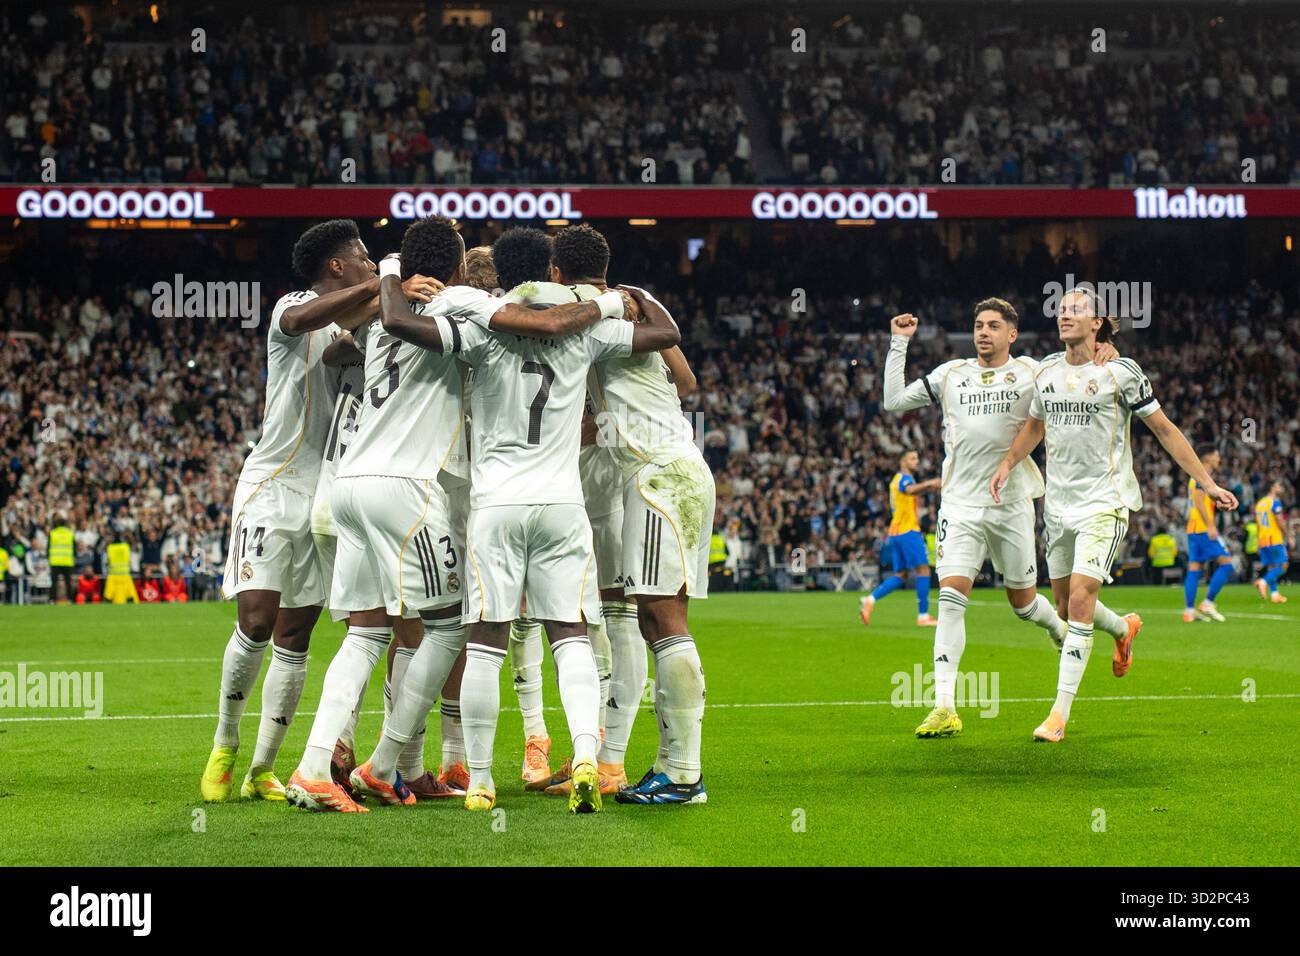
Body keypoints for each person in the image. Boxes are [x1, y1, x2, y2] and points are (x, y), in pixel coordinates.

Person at [450, 226, 676, 813]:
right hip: (562, 501)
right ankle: (584, 756)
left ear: (499, 269)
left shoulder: (482, 318)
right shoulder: (586, 324)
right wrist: (622, 297)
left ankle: (478, 779)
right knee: (571, 634)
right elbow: (661, 337)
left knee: (487, 640)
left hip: (496, 501)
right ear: (552, 268)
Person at [200, 219, 423, 803]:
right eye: (365, 260)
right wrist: (387, 284)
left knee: (295, 634)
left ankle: (264, 768)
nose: (374, 268)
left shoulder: (355, 323)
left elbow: (364, 342)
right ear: (337, 267)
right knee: (255, 619)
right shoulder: (293, 307)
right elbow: (304, 324)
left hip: (324, 493)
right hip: (271, 485)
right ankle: (225, 743)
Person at [990, 288, 1237, 743]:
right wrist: (1007, 463)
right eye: (1061, 309)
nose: (1065, 315)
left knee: (1080, 604)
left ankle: (1058, 716)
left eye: (1075, 310)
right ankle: (1123, 628)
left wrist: (1207, 483)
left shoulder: (1121, 373)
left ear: (1098, 321)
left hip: (1105, 502)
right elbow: (1035, 427)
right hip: (1059, 506)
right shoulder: (1045, 371)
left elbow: (1163, 428)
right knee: (1063, 607)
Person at [882, 301, 1137, 739]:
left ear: (1012, 335)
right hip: (960, 504)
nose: (983, 332)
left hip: (1013, 502)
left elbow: (1079, 367)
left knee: (1023, 604)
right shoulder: (951, 373)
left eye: (993, 326)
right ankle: (944, 704)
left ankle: (1100, 626)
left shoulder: (1033, 372)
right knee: (950, 597)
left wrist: (1107, 349)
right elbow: (893, 402)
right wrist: (898, 343)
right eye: (978, 325)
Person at [860, 450, 941, 627]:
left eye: (917, 458)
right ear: (903, 462)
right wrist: (930, 483)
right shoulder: (905, 479)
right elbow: (910, 490)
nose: (917, 462)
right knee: (924, 570)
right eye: (913, 458)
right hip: (907, 531)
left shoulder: (895, 481)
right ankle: (923, 616)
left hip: (895, 532)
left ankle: (870, 599)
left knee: (902, 574)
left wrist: (928, 487)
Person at [1182, 445, 1235, 622]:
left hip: (1193, 529)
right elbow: (1199, 502)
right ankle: (1208, 602)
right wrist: (1211, 526)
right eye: (1217, 454)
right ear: (1208, 457)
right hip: (1202, 528)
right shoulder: (1201, 475)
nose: (1219, 458)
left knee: (1195, 568)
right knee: (1227, 564)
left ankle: (1189, 610)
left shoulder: (1197, 476)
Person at [1253, 480, 1291, 603]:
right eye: (1279, 485)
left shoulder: (1260, 503)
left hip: (1263, 539)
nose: (1281, 488)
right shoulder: (1275, 502)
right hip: (1274, 538)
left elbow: (1258, 524)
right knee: (1283, 566)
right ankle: (1263, 582)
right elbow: (1280, 521)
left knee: (1271, 567)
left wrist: (1258, 541)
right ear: (1272, 488)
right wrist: (1289, 535)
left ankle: (1274, 594)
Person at [48, 516, 75, 603]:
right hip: (67, 561)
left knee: (54, 582)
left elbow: (48, 547)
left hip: (55, 561)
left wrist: (48, 557)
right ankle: (70, 599)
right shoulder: (70, 533)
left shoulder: (52, 533)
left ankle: (52, 599)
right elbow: (74, 548)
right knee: (68, 582)